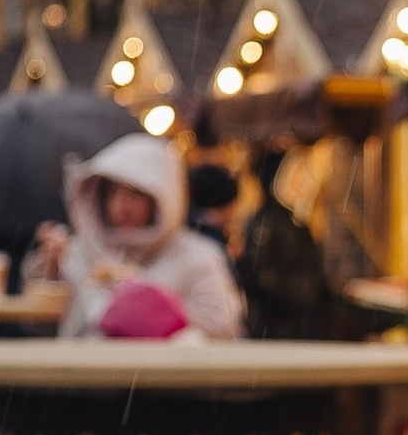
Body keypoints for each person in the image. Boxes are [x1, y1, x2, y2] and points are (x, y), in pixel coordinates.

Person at [27, 129, 246, 338]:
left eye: (134, 193)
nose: (122, 206)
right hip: (81, 365)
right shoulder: (78, 251)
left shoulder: (198, 256)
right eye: (113, 193)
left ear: (162, 196)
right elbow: (39, 325)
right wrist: (50, 267)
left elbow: (221, 327)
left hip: (161, 365)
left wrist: (152, 318)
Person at [235, 148, 335, 343]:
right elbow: (259, 274)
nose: (303, 182)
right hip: (280, 330)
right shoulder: (268, 222)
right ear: (280, 179)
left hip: (302, 326)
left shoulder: (296, 222)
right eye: (296, 175)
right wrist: (301, 292)